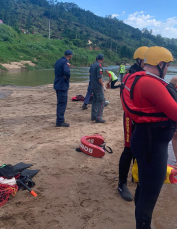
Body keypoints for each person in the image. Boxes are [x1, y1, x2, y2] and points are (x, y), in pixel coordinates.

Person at [120, 46, 177, 229]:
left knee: (144, 188)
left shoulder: (135, 78)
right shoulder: (150, 83)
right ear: (160, 64)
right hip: (152, 147)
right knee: (149, 195)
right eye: (167, 65)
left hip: (143, 140)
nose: (167, 69)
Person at [118, 46, 149, 202]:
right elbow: (125, 99)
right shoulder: (130, 75)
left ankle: (135, 176)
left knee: (141, 148)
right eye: (146, 60)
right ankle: (121, 183)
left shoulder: (146, 74)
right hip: (131, 117)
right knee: (129, 149)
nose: (149, 63)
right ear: (139, 60)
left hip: (142, 117)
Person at [54, 50, 73, 127]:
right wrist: (67, 78)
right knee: (62, 103)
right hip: (62, 84)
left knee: (60, 102)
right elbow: (67, 72)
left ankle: (59, 119)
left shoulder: (58, 61)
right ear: (70, 56)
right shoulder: (65, 62)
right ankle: (60, 121)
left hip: (57, 83)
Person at [90, 53, 106, 123]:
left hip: (92, 85)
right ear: (102, 59)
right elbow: (99, 78)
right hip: (97, 86)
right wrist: (103, 85)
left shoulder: (92, 65)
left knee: (94, 100)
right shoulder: (99, 66)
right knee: (101, 101)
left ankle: (93, 116)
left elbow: (90, 74)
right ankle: (98, 117)